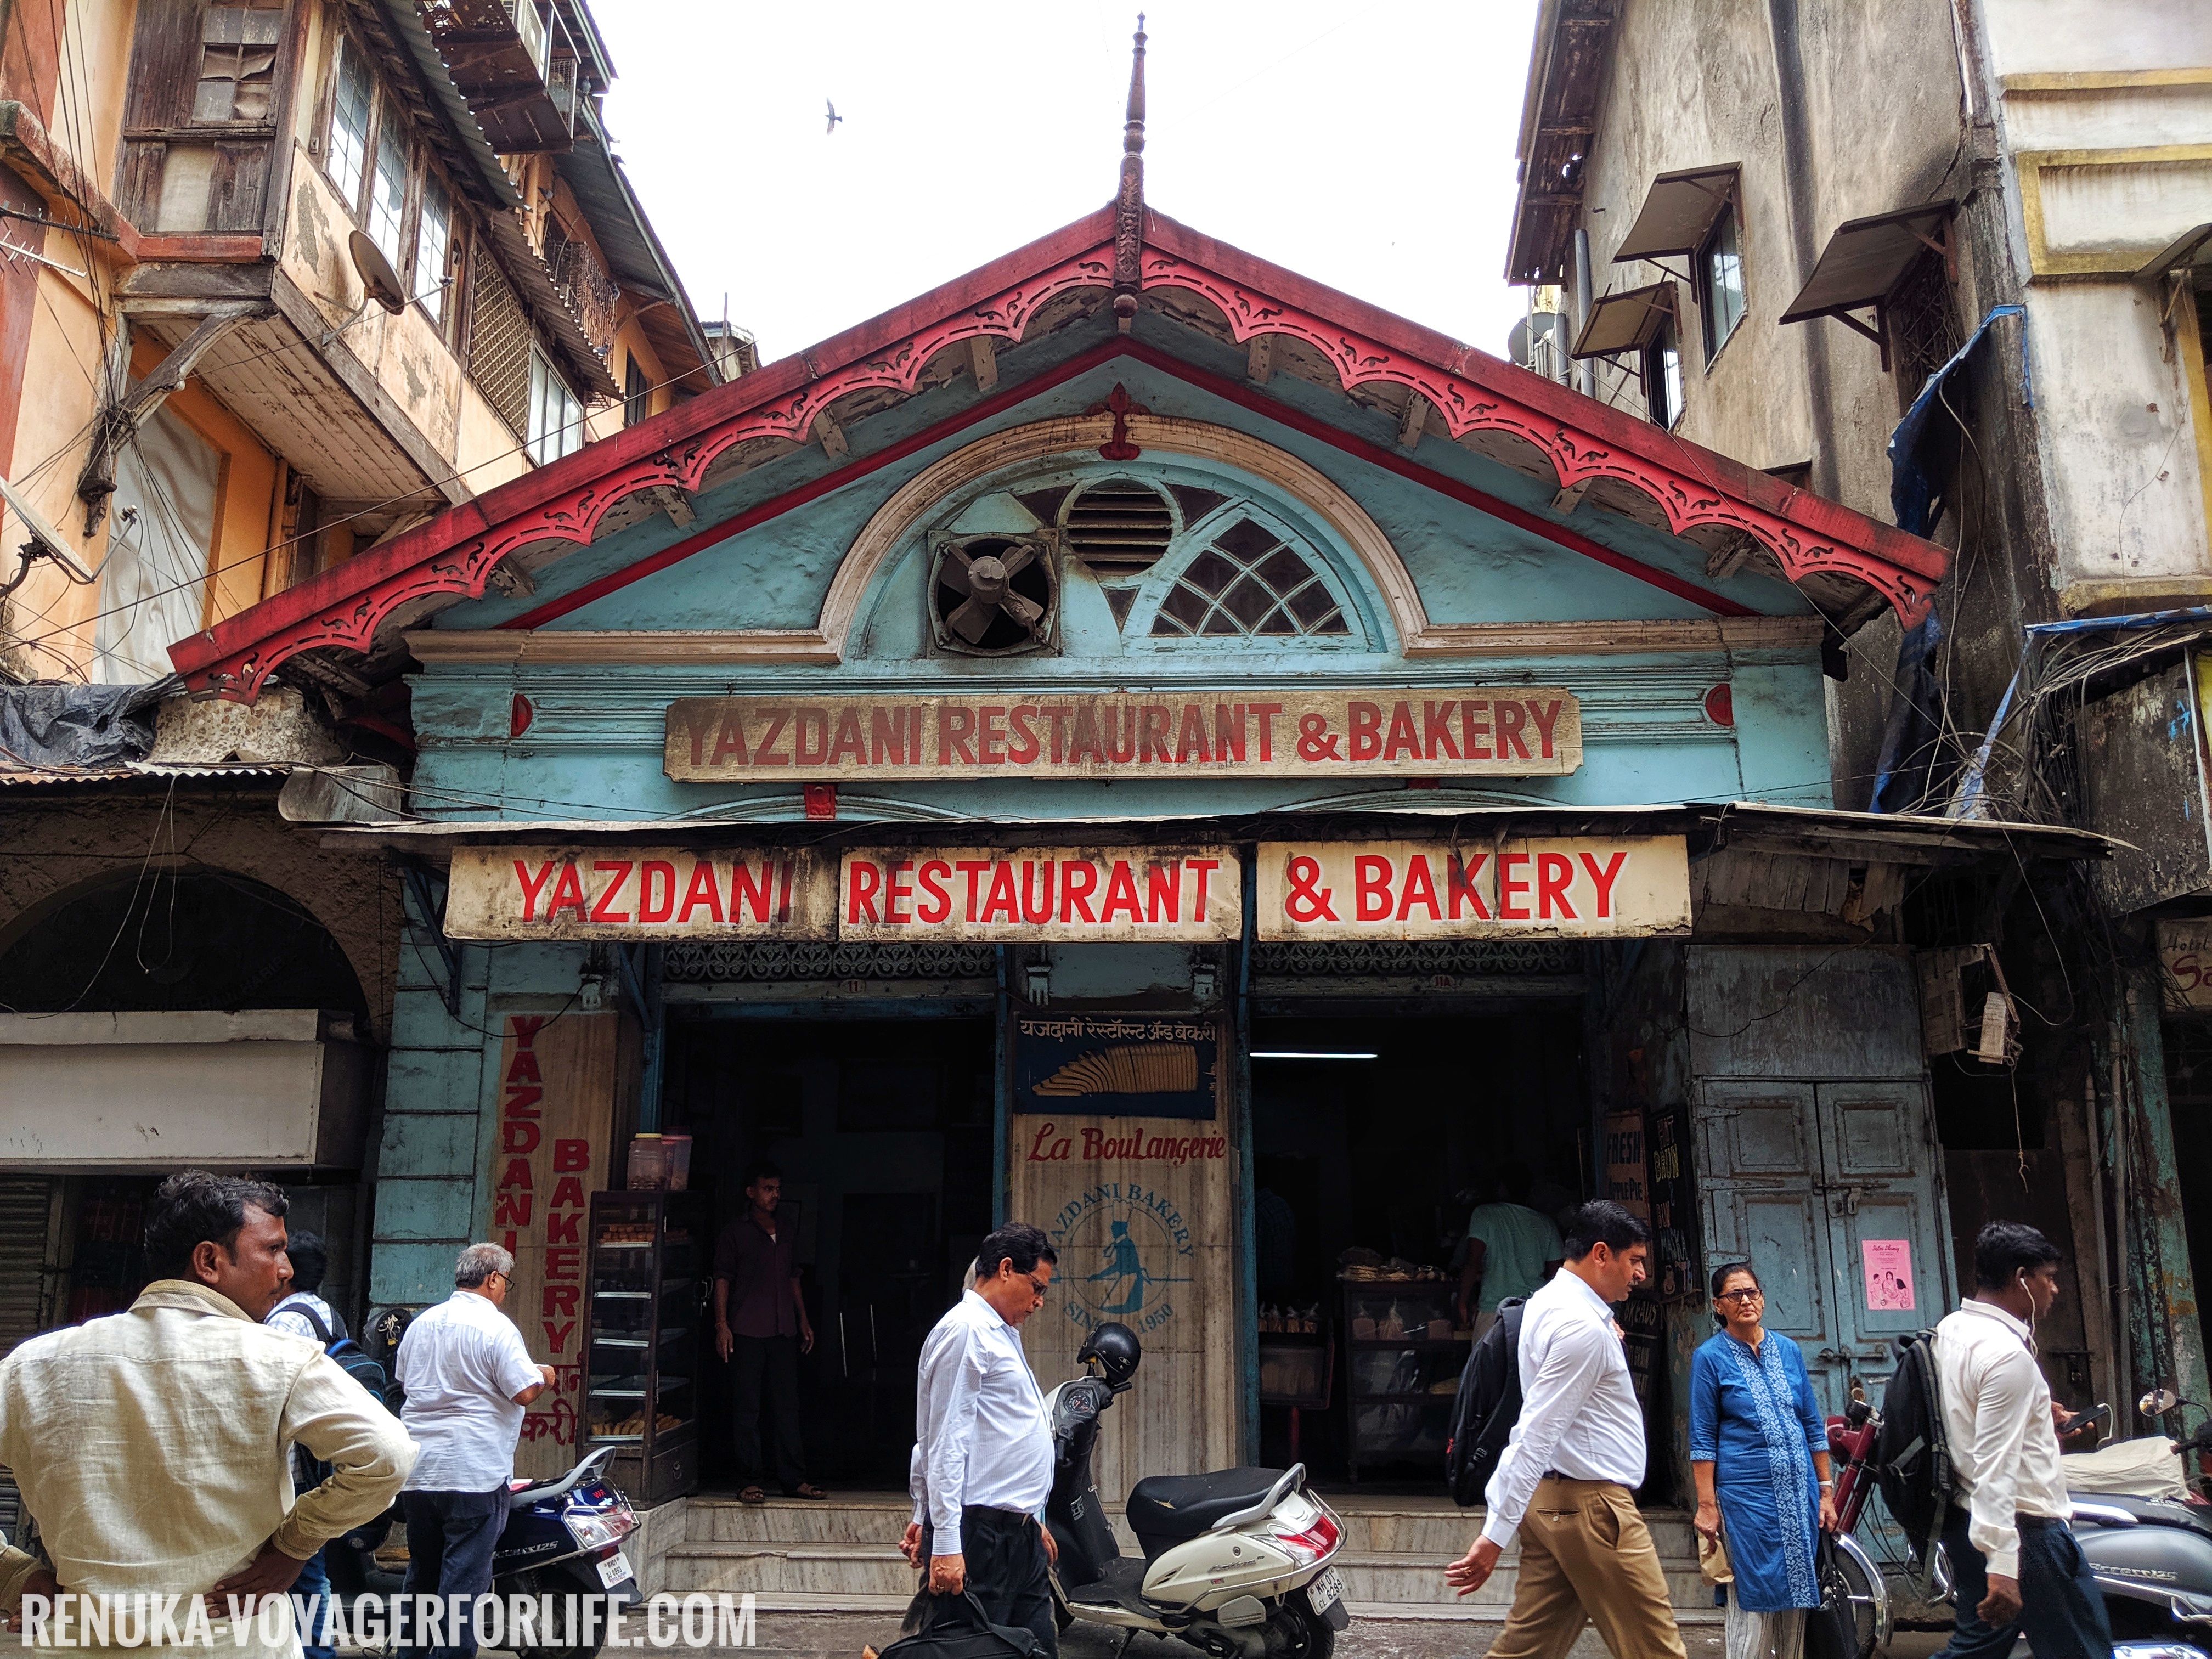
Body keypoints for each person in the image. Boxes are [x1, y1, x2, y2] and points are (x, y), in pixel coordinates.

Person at [0, 1171, 415, 1655]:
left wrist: (13, 1574)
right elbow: (388, 1456)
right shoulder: (280, 1358)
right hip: (232, 1640)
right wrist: (293, 1545)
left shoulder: (33, 1366)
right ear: (209, 1261)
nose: (285, 1270)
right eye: (273, 1250)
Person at [1444, 1200, 1688, 1659]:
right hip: (1592, 1509)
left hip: (1557, 1506)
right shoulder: (1582, 1327)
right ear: (1601, 1254)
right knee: (1657, 1650)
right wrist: (1495, 1533)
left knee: (1527, 1649)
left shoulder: (1548, 1305)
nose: (1640, 1275)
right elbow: (1535, 1432)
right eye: (1634, 1261)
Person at [1931, 1222, 2111, 1659]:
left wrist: (2036, 1416)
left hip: (1969, 1517)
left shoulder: (1952, 1329)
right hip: (2027, 1533)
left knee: (1977, 1650)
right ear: (2021, 1278)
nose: (2054, 1290)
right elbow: (1994, 1463)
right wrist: (2003, 1568)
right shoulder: (2006, 1355)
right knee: (2082, 1650)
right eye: (2047, 1278)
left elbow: (1966, 1415)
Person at [899, 1222, 1062, 1657]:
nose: (1040, 1302)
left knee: (1036, 1648)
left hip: (1016, 1536)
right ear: (1006, 1269)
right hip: (978, 1537)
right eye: (1037, 1287)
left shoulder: (1000, 1332)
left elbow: (996, 1436)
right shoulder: (967, 1330)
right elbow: (943, 1441)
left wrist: (1029, 1517)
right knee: (966, 1648)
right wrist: (947, 1542)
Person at [393, 1243, 557, 1659]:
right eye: (506, 1283)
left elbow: (406, 1383)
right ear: (493, 1279)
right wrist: (545, 1377)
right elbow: (523, 1391)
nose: (504, 1291)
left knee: (424, 1577)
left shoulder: (423, 1324)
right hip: (474, 1472)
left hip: (420, 1471)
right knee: (462, 1587)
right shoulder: (496, 1327)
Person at [1690, 1262, 1837, 1659]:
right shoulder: (1710, 1358)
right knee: (1752, 1593)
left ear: (1763, 1299)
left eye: (1751, 1292)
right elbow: (1703, 1439)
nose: (1745, 1301)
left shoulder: (1787, 1350)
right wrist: (1707, 1506)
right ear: (1718, 1306)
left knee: (1799, 1593)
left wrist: (1825, 1492)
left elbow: (1810, 1423)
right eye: (1734, 1295)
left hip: (1798, 1494)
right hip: (1745, 1500)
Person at [712, 1160, 824, 1503]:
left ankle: (794, 1479)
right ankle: (749, 1480)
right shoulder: (735, 1232)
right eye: (767, 1189)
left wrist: (803, 1319)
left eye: (778, 1189)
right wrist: (722, 1325)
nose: (775, 1195)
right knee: (748, 1409)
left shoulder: (787, 1229)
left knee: (787, 1407)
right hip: (746, 1329)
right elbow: (722, 1279)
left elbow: (793, 1278)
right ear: (751, 1192)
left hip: (783, 1330)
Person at [264, 1228, 348, 1659]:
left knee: (302, 1569)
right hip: (322, 1462)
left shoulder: (286, 1320)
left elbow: (274, 1397)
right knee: (308, 1567)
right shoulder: (328, 1314)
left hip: (296, 1467)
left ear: (287, 1270)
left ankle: (315, 1653)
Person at [1457, 1161, 1565, 1338]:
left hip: (1494, 1312)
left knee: (1488, 1364)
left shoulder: (1484, 1215)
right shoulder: (1546, 1224)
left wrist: (1462, 1304)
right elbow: (1556, 1274)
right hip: (1534, 1312)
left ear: (1501, 1187)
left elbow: (1473, 1262)